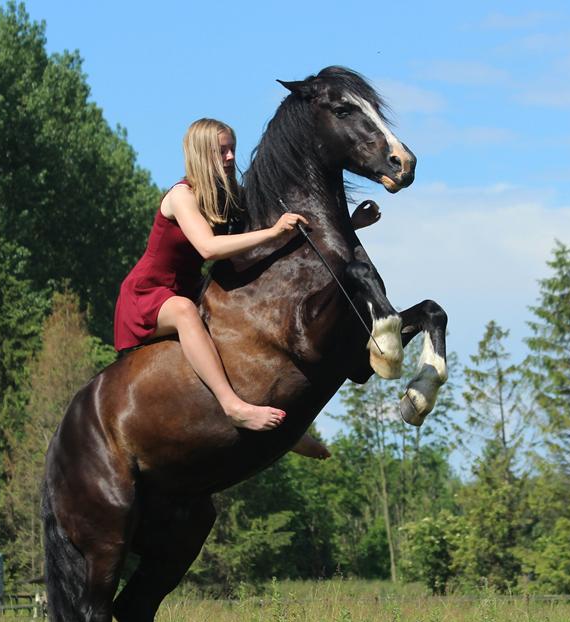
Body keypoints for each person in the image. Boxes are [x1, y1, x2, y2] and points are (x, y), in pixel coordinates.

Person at [114, 118, 382, 445]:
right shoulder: (180, 196)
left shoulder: (231, 196)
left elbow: (274, 243)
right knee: (184, 311)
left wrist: (353, 224)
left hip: (191, 289)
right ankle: (232, 406)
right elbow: (208, 248)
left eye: (232, 149)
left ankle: (284, 424)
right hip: (149, 294)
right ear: (201, 154)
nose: (230, 157)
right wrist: (272, 231)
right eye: (221, 151)